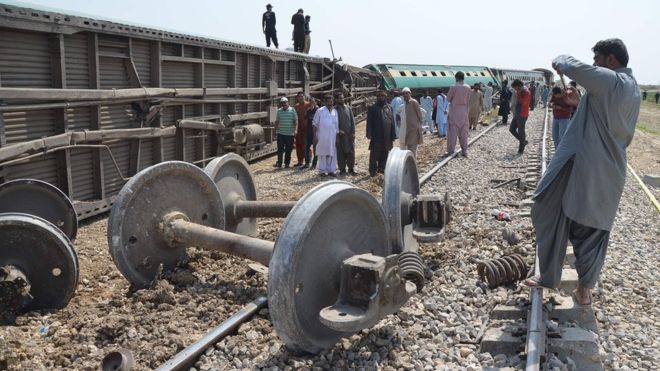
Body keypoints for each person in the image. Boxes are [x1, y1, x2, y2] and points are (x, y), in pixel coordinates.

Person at [525, 38, 640, 307]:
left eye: (597, 59)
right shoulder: (632, 88)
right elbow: (606, 120)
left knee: (547, 207)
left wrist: (560, 59)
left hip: (589, 165)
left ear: (611, 60)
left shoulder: (611, 80)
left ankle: (549, 275)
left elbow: (569, 64)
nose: (594, 64)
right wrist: (579, 104)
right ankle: (584, 291)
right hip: (611, 171)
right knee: (593, 230)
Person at [366, 90, 396, 176]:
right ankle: (372, 171)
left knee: (385, 152)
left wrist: (393, 134)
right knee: (374, 154)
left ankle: (382, 170)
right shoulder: (372, 108)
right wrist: (369, 133)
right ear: (376, 97)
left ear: (385, 96)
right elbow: (369, 122)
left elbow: (392, 122)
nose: (380, 97)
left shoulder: (389, 107)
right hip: (376, 135)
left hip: (387, 135)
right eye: (379, 96)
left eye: (382, 96)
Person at [312, 95, 339, 176]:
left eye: (331, 101)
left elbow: (337, 125)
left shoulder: (335, 111)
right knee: (322, 153)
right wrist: (314, 136)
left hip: (332, 136)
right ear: (325, 102)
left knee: (332, 153)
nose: (330, 103)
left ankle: (331, 170)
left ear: (333, 102)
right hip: (322, 136)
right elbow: (314, 124)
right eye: (328, 101)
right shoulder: (320, 111)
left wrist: (337, 137)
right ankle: (322, 171)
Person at [446, 72, 471, 157]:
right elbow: (468, 100)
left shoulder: (453, 87)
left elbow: (448, 99)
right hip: (464, 111)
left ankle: (451, 151)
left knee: (452, 132)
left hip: (454, 110)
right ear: (463, 78)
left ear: (456, 77)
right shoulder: (468, 87)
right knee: (464, 132)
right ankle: (464, 151)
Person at [397, 87, 424, 158]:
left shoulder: (414, 102)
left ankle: (413, 167)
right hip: (406, 130)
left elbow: (420, 115)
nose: (405, 95)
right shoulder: (404, 104)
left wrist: (418, 126)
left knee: (412, 150)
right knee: (406, 149)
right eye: (404, 94)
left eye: (407, 93)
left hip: (413, 130)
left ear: (410, 93)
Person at [335, 93, 356, 175]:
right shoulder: (334, 110)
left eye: (342, 98)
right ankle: (342, 169)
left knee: (351, 151)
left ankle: (351, 169)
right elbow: (333, 123)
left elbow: (352, 121)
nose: (342, 100)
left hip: (349, 135)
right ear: (336, 99)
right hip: (340, 135)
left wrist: (353, 132)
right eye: (340, 98)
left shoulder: (348, 108)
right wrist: (338, 130)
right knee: (340, 152)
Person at [273, 97, 297, 168]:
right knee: (280, 149)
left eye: (285, 102)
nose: (284, 104)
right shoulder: (279, 111)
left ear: (288, 102)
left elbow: (296, 121)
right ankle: (279, 163)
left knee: (288, 149)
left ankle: (287, 163)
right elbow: (277, 121)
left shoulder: (292, 110)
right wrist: (275, 130)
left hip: (290, 134)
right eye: (282, 103)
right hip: (281, 133)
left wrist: (296, 130)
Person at [510, 79, 531, 154]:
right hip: (517, 113)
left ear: (519, 86)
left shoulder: (526, 92)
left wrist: (518, 94)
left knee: (521, 131)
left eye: (515, 88)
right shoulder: (520, 91)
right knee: (511, 129)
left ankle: (521, 148)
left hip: (522, 114)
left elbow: (523, 103)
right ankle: (523, 141)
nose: (515, 90)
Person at [293, 92, 312, 167]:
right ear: (297, 98)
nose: (301, 98)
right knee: (298, 144)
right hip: (299, 128)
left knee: (306, 144)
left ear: (304, 97)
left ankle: (308, 160)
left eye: (302, 96)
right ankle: (300, 161)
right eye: (299, 97)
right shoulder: (296, 106)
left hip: (307, 128)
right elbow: (295, 118)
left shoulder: (308, 104)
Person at [304, 98, 320, 169]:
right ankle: (307, 163)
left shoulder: (319, 110)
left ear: (316, 102)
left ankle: (314, 164)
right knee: (306, 148)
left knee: (315, 149)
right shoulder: (308, 110)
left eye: (313, 102)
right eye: (310, 102)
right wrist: (308, 110)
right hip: (309, 131)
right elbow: (305, 117)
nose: (311, 103)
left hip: (316, 132)